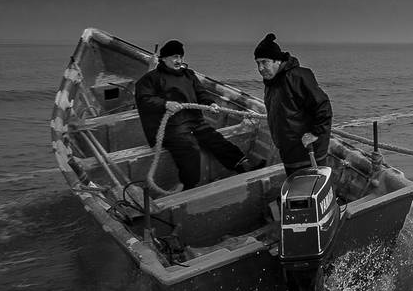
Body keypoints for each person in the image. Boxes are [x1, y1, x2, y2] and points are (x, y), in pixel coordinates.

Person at [135, 39, 256, 190]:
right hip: (171, 128)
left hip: (194, 121)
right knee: (190, 149)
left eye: (180, 57)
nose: (179, 60)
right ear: (163, 58)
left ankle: (243, 165)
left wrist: (210, 103)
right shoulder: (151, 78)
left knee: (216, 139)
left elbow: (201, 92)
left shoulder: (189, 74)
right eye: (174, 57)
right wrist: (165, 104)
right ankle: (190, 186)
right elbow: (144, 99)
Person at [253, 32, 333, 175]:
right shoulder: (271, 83)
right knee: (295, 183)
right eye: (258, 63)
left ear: (277, 61)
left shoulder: (298, 76)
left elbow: (323, 106)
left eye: (264, 62)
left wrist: (315, 133)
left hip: (309, 151)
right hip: (289, 152)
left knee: (311, 184)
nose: (260, 68)